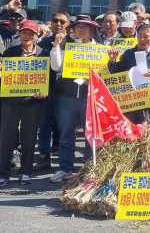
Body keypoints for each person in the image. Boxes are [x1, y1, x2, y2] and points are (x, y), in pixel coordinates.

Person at [49, 15, 100, 183]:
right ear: (73, 29)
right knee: (65, 134)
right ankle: (65, 169)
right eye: (78, 27)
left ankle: (89, 170)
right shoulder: (67, 46)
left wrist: (92, 79)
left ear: (91, 29)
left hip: (89, 97)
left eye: (85, 26)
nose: (81, 29)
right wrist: (56, 45)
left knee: (90, 135)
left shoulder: (99, 48)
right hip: (68, 96)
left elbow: (105, 75)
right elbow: (56, 66)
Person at [0, 21, 49, 186]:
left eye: (31, 33)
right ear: (19, 34)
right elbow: (4, 78)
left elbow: (48, 79)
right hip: (10, 101)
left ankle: (25, 172)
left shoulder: (44, 54)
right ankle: (3, 173)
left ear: (37, 35)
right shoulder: (9, 52)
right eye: (24, 33)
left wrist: (44, 93)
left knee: (28, 139)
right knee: (6, 138)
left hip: (33, 102)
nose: (27, 36)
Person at [107, 24, 150, 125]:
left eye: (146, 37)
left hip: (149, 101)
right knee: (129, 133)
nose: (141, 39)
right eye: (139, 35)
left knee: (145, 133)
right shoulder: (129, 53)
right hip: (130, 101)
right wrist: (112, 60)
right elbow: (116, 72)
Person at [33, 12, 70, 171]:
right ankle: (43, 157)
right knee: (44, 126)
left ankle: (65, 161)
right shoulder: (42, 43)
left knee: (64, 128)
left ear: (68, 24)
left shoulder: (74, 43)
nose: (58, 23)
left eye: (62, 21)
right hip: (45, 90)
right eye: (55, 20)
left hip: (66, 91)